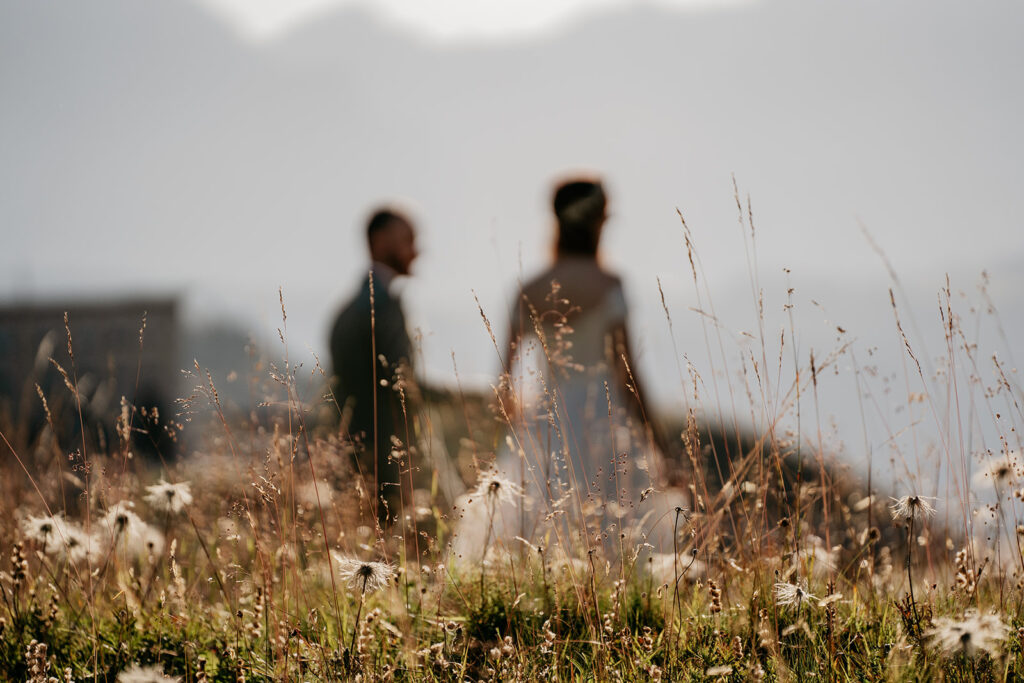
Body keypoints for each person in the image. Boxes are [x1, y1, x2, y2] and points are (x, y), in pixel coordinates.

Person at [453, 178, 687, 569]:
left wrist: (514, 428)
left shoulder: (530, 288)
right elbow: (629, 374)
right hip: (606, 421)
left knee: (541, 528)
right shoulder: (610, 284)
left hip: (549, 420)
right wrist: (659, 445)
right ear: (599, 223)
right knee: (617, 531)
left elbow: (503, 383)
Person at [329, 208, 418, 526]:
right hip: (384, 455)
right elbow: (404, 383)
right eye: (408, 239)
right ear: (380, 241)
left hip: (357, 449)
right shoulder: (380, 306)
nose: (416, 249)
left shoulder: (347, 308)